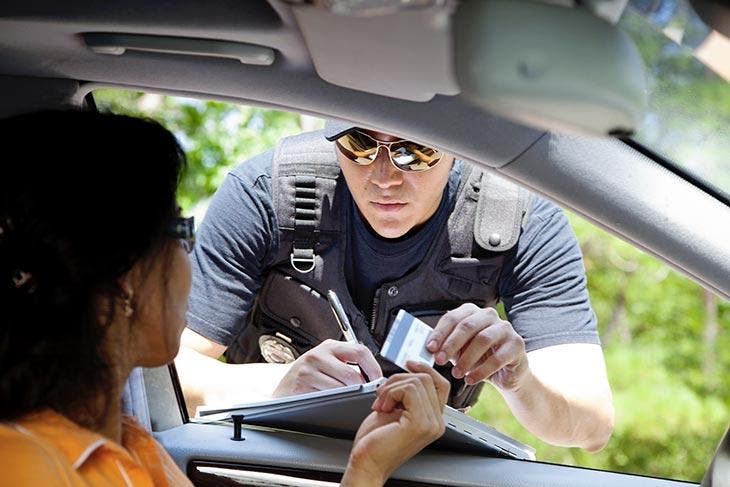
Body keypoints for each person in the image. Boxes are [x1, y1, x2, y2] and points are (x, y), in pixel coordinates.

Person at [0, 110, 448, 486]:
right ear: (124, 278)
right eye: (179, 231)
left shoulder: (131, 444)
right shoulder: (24, 465)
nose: (190, 257)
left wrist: (366, 466)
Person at [178, 121, 615, 452]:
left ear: (458, 145)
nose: (384, 176)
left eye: (416, 152)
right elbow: (163, 373)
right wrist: (278, 386)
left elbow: (591, 425)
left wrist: (520, 382)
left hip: (421, 469)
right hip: (268, 455)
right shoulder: (264, 195)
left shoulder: (523, 220)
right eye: (359, 144)